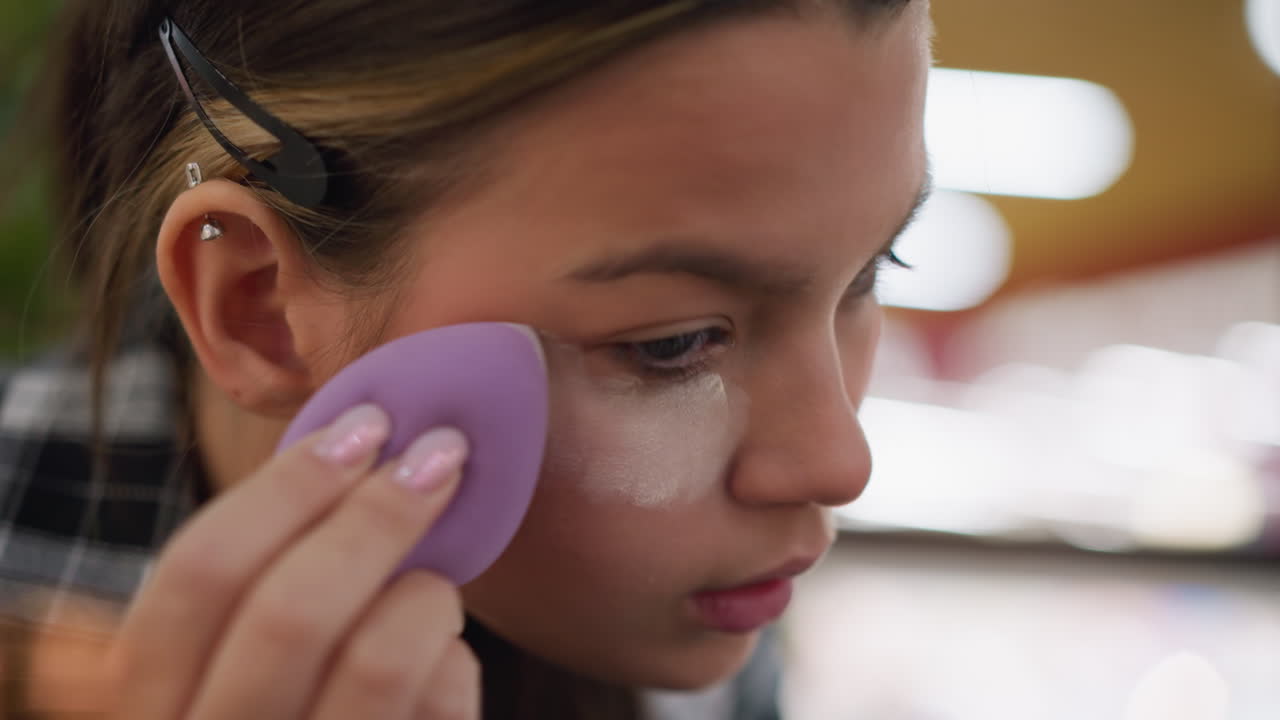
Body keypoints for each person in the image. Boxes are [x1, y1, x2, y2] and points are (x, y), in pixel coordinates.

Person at [0, 0, 932, 717]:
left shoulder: (698, 594)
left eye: (868, 273)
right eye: (673, 346)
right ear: (259, 310)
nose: (838, 464)